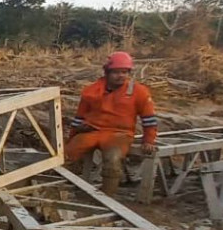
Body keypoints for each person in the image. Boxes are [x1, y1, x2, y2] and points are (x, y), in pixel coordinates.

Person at [65, 51, 158, 197]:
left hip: (119, 134)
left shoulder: (139, 92)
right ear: (107, 72)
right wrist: (72, 137)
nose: (121, 75)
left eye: (124, 72)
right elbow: (79, 117)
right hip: (92, 131)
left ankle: (107, 196)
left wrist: (149, 140)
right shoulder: (91, 91)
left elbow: (149, 119)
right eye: (116, 72)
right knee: (66, 155)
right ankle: (63, 187)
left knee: (113, 159)